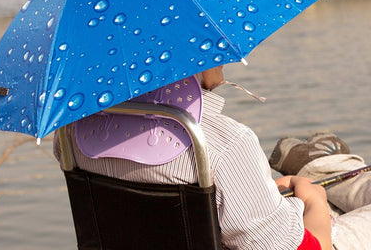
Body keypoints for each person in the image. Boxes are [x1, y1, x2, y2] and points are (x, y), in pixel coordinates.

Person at [53, 65, 369, 249]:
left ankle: (315, 162)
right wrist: (313, 201)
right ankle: (318, 164)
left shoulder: (70, 135)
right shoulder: (220, 143)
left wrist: (254, 192)